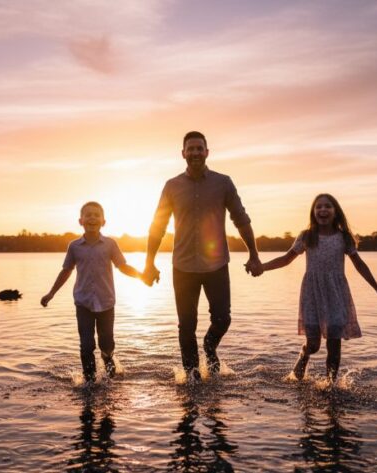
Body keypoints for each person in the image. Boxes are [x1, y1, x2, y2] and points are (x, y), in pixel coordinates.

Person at [143, 131, 263, 381]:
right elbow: (157, 228)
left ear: (207, 152)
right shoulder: (172, 186)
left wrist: (254, 255)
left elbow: (241, 220)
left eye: (200, 148)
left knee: (222, 319)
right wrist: (149, 263)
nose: (195, 153)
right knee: (186, 327)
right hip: (183, 268)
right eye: (191, 149)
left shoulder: (223, 183)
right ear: (183, 153)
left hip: (216, 265)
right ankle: (192, 378)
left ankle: (209, 347)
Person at [259, 193, 377, 382]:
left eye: (327, 206)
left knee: (334, 344)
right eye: (318, 207)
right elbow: (286, 259)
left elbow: (359, 264)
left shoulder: (344, 237)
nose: (323, 210)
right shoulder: (307, 236)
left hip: (337, 294)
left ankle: (330, 385)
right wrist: (262, 267)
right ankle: (303, 356)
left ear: (335, 211)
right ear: (313, 212)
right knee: (313, 344)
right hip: (312, 293)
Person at [41, 201, 145, 383]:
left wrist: (141, 276)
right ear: (80, 221)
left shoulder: (110, 244)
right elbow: (66, 271)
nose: (92, 218)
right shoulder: (74, 246)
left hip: (106, 303)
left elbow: (122, 266)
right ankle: (89, 381)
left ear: (103, 221)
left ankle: (109, 364)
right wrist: (51, 293)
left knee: (106, 344)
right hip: (83, 303)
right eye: (88, 215)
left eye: (96, 215)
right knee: (87, 345)